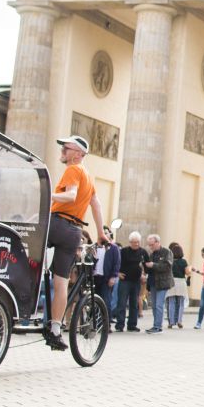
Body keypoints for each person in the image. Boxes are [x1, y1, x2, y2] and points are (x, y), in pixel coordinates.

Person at [45, 134, 106, 350]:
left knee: (23, 246)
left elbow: (70, 196)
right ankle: (54, 329)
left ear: (78, 154)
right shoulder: (88, 176)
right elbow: (96, 205)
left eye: (66, 148)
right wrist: (101, 233)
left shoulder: (73, 169)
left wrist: (46, 195)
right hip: (74, 231)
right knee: (60, 282)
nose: (62, 150)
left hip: (57, 224)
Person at [116, 232, 145, 332]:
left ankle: (132, 325)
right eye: (134, 242)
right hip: (125, 281)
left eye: (137, 242)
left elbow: (146, 264)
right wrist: (118, 273)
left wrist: (144, 275)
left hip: (136, 281)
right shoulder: (123, 251)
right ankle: (120, 325)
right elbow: (116, 263)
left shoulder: (143, 252)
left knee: (134, 304)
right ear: (130, 242)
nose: (136, 244)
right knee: (122, 303)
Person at [143, 235, 171, 333]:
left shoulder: (167, 252)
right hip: (153, 282)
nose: (150, 247)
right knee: (154, 305)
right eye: (149, 245)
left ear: (158, 242)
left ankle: (158, 326)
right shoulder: (152, 254)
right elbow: (149, 269)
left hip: (162, 283)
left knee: (159, 305)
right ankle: (156, 325)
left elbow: (167, 266)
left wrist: (153, 265)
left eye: (152, 245)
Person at [167, 243, 190, 328]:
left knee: (171, 302)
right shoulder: (183, 261)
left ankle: (171, 322)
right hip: (181, 282)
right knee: (181, 303)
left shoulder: (170, 261)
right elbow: (187, 273)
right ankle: (179, 321)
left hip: (172, 282)